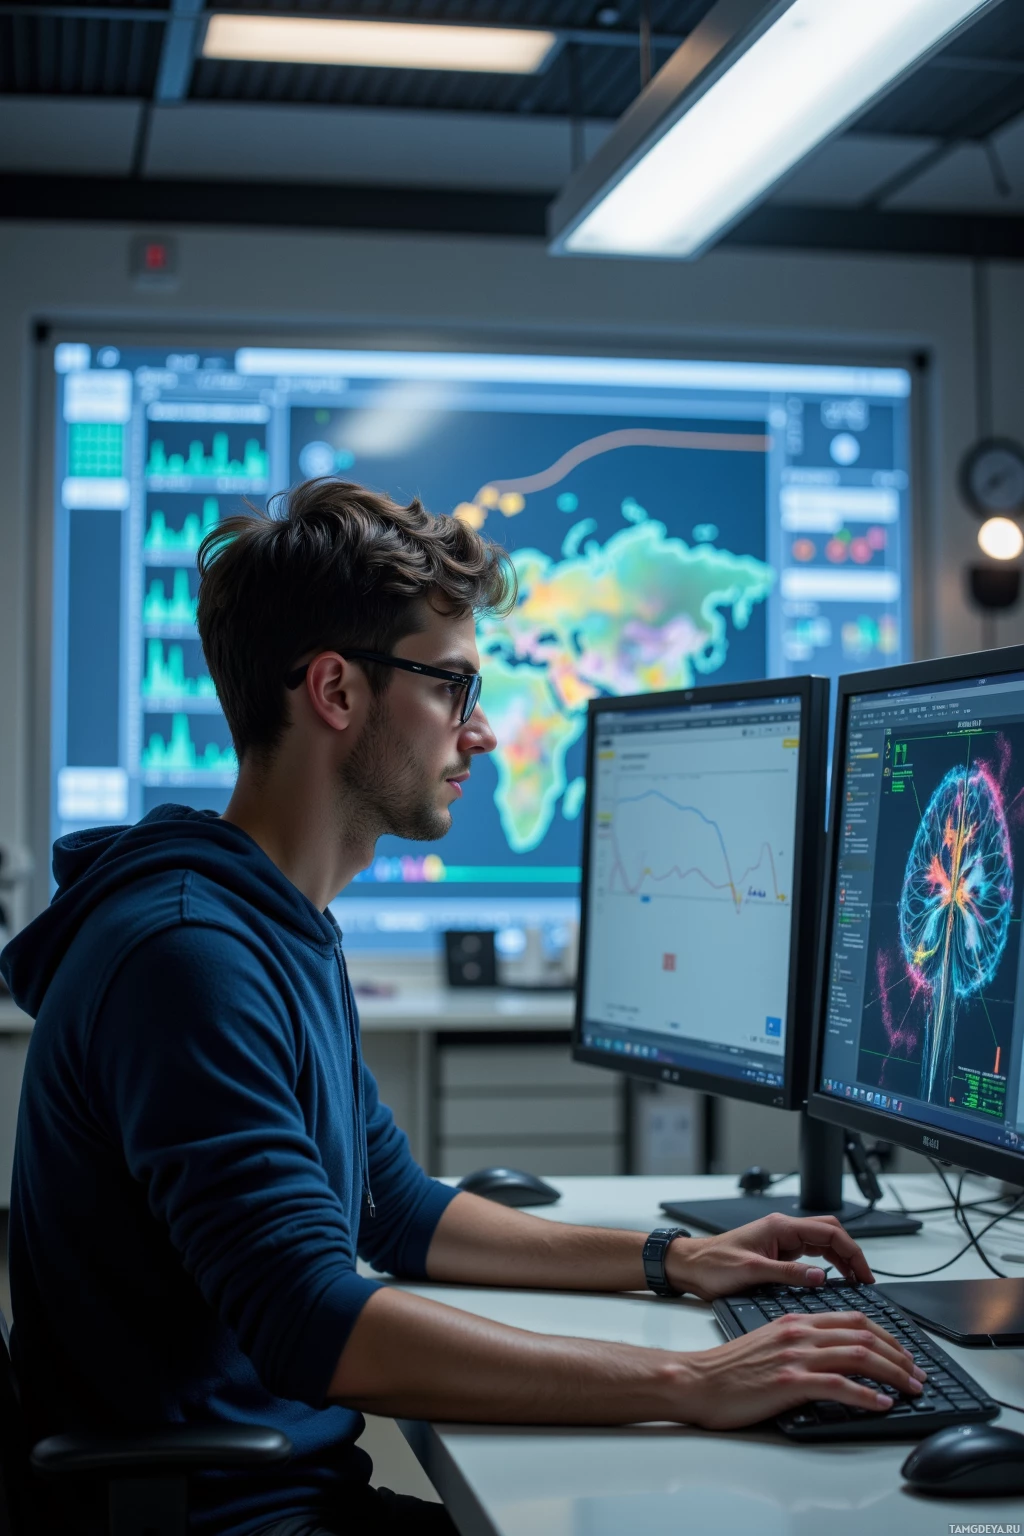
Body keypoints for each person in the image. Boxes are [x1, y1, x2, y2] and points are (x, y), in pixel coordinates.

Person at [1, 479, 925, 1536]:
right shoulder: (188, 956)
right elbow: (312, 1320)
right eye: (451, 687)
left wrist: (671, 1260)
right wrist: (688, 1386)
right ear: (337, 692)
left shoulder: (266, 921)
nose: (478, 733)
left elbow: (394, 1207)